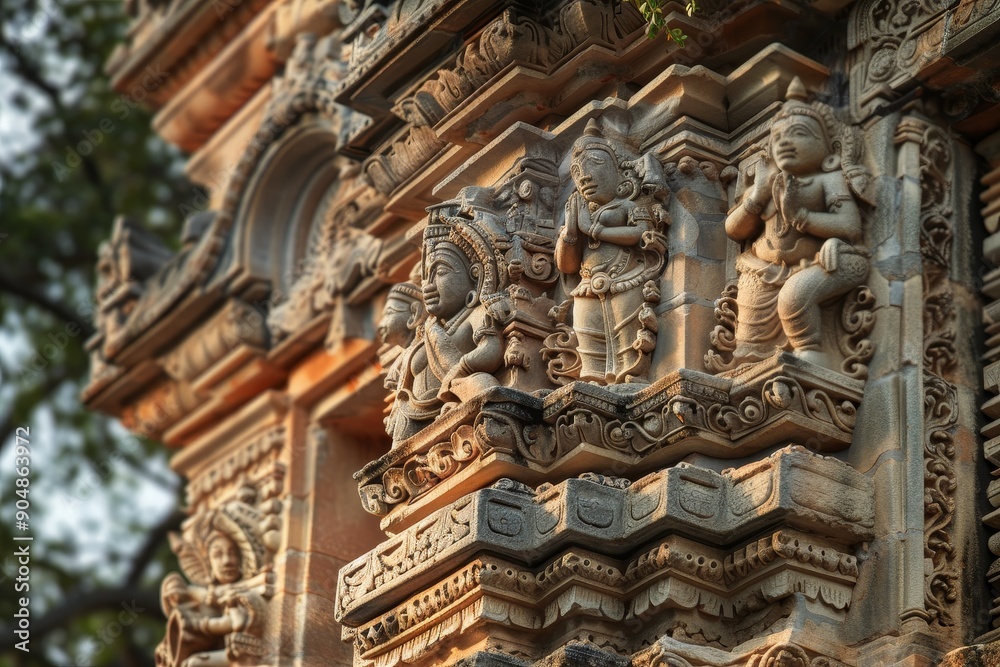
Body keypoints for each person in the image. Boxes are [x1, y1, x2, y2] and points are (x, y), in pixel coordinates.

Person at [725, 77, 868, 369]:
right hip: (761, 271)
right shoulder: (767, 184)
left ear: (829, 152)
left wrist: (804, 218)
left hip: (819, 264)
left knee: (795, 298)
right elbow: (733, 229)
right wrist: (757, 195)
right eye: (778, 138)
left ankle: (810, 350)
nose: (785, 143)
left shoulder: (828, 179)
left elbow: (851, 225)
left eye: (799, 134)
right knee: (748, 349)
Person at [554, 119, 668, 384]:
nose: (583, 175)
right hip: (586, 288)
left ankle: (631, 379)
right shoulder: (580, 214)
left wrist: (594, 230)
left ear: (620, 175)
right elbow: (567, 266)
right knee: (590, 348)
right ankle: (594, 385)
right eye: (576, 170)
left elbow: (641, 232)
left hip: (626, 280)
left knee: (627, 344)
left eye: (595, 162)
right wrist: (571, 232)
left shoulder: (626, 205)